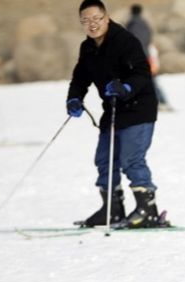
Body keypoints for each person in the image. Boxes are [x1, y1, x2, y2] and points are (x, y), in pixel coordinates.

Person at [67, 0, 163, 229]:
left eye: (96, 19)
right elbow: (80, 77)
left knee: (131, 160)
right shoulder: (87, 48)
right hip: (112, 111)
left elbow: (142, 73)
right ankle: (112, 209)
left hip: (139, 108)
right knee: (104, 159)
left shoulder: (125, 41)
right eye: (86, 21)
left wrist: (126, 87)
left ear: (106, 17)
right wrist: (74, 98)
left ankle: (147, 210)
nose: (92, 25)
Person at [125, 3, 173, 112]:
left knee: (145, 80)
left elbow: (134, 42)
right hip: (147, 56)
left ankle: (160, 102)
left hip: (138, 58)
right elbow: (148, 40)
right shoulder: (145, 24)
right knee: (150, 80)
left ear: (131, 12)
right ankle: (161, 101)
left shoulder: (132, 24)